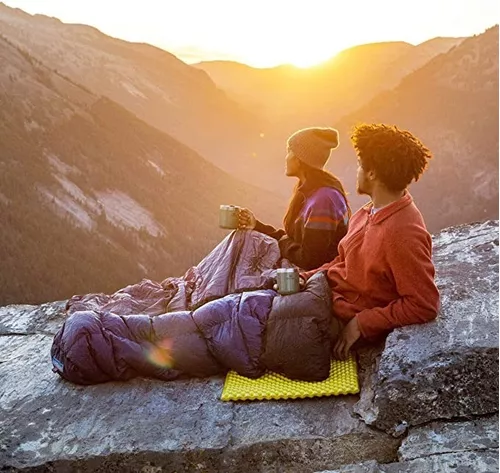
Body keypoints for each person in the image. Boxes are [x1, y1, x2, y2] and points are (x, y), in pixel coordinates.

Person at [300, 123, 440, 360]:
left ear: (372, 173)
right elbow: (342, 261)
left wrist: (361, 322)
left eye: (359, 165)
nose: (356, 171)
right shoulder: (368, 212)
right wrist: (307, 276)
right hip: (324, 295)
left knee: (244, 326)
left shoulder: (402, 233)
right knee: (250, 303)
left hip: (338, 317)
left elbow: (424, 304)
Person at [239, 127, 351, 270]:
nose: (286, 157)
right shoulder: (309, 193)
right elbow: (295, 243)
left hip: (318, 279)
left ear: (300, 159)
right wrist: (256, 226)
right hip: (303, 271)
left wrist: (282, 241)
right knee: (242, 238)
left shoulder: (324, 200)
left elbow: (310, 260)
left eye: (289, 151)